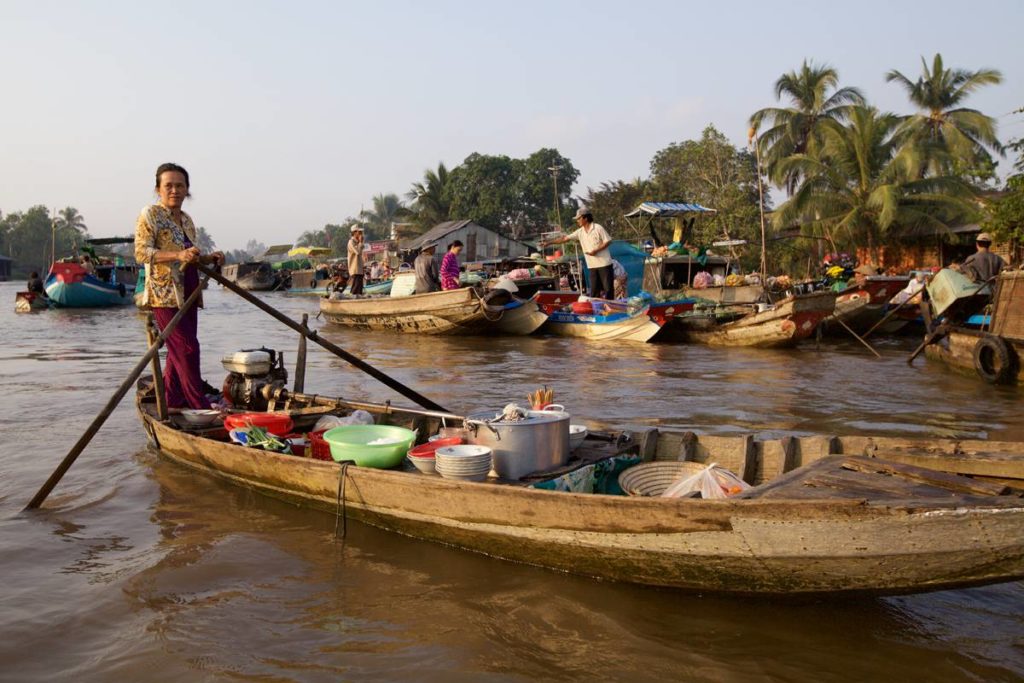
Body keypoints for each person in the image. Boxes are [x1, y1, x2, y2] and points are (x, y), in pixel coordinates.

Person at [134, 162, 224, 412]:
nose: (174, 190)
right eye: (169, 185)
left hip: (189, 291)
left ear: (187, 190)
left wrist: (208, 258)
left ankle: (173, 400)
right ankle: (199, 405)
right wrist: (177, 255)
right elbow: (142, 253)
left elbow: (189, 256)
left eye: (180, 185)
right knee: (187, 348)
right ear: (158, 189)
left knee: (178, 353)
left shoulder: (186, 219)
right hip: (164, 294)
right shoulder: (150, 214)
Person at [540, 207, 614, 299]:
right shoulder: (580, 232)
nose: (577, 221)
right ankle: (597, 310)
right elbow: (565, 239)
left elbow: (608, 241)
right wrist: (548, 243)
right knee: (594, 290)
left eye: (579, 218)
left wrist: (596, 250)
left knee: (608, 290)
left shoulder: (598, 228)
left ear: (585, 218)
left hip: (604, 264)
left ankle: (611, 310)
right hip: (592, 266)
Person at [347, 225, 365, 295]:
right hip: (354, 269)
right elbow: (357, 252)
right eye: (359, 232)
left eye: (361, 232)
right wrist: (360, 242)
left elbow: (361, 249)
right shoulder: (351, 242)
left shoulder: (357, 242)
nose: (361, 234)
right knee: (355, 287)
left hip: (359, 269)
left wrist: (361, 241)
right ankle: (351, 300)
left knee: (360, 288)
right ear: (354, 233)